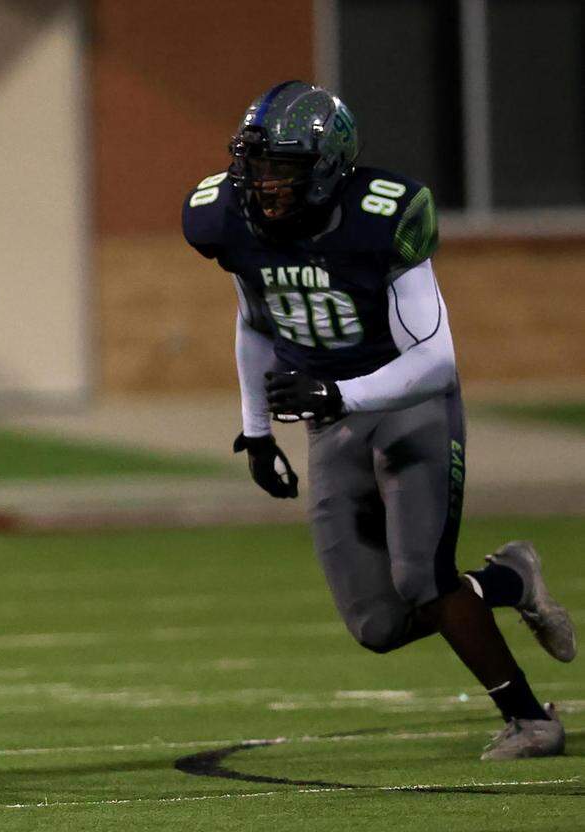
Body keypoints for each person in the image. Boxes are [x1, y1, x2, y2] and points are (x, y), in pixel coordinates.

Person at [182, 80, 576, 760]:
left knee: (422, 577)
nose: (263, 183)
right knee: (375, 622)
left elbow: (436, 362)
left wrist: (340, 396)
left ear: (328, 169)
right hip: (329, 418)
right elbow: (254, 317)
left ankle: (529, 719)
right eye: (255, 164)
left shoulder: (381, 216)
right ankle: (509, 579)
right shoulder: (226, 219)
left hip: (406, 405)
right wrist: (255, 429)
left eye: (282, 167)